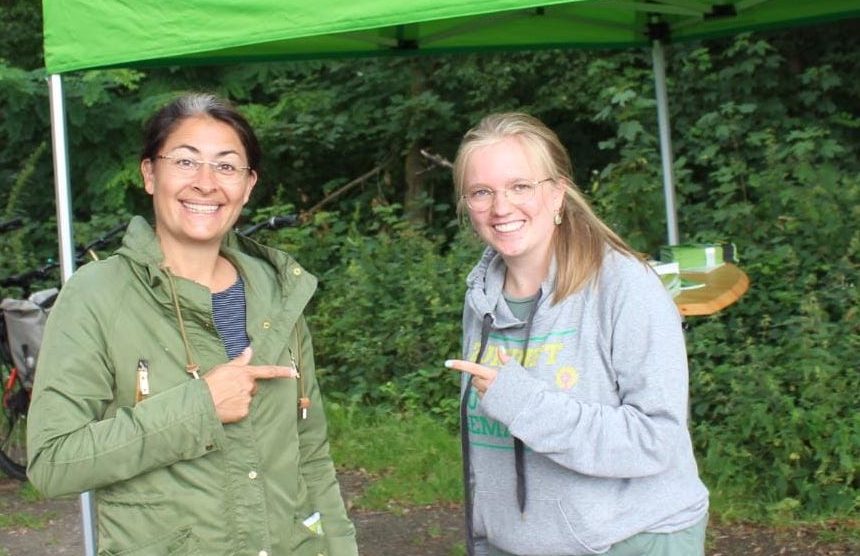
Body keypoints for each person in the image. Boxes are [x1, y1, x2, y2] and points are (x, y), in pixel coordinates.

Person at [26, 93, 358, 555]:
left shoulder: (281, 292)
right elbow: (52, 462)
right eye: (185, 161)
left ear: (248, 185)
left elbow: (313, 456)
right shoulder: (97, 295)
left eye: (226, 166)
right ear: (149, 174)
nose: (206, 183)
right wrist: (200, 408)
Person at [444, 113, 708, 556]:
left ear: (557, 193)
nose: (501, 207)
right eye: (481, 192)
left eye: (520, 186)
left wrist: (526, 405)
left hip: (636, 539)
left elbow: (656, 439)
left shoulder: (625, 287)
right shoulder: (482, 299)